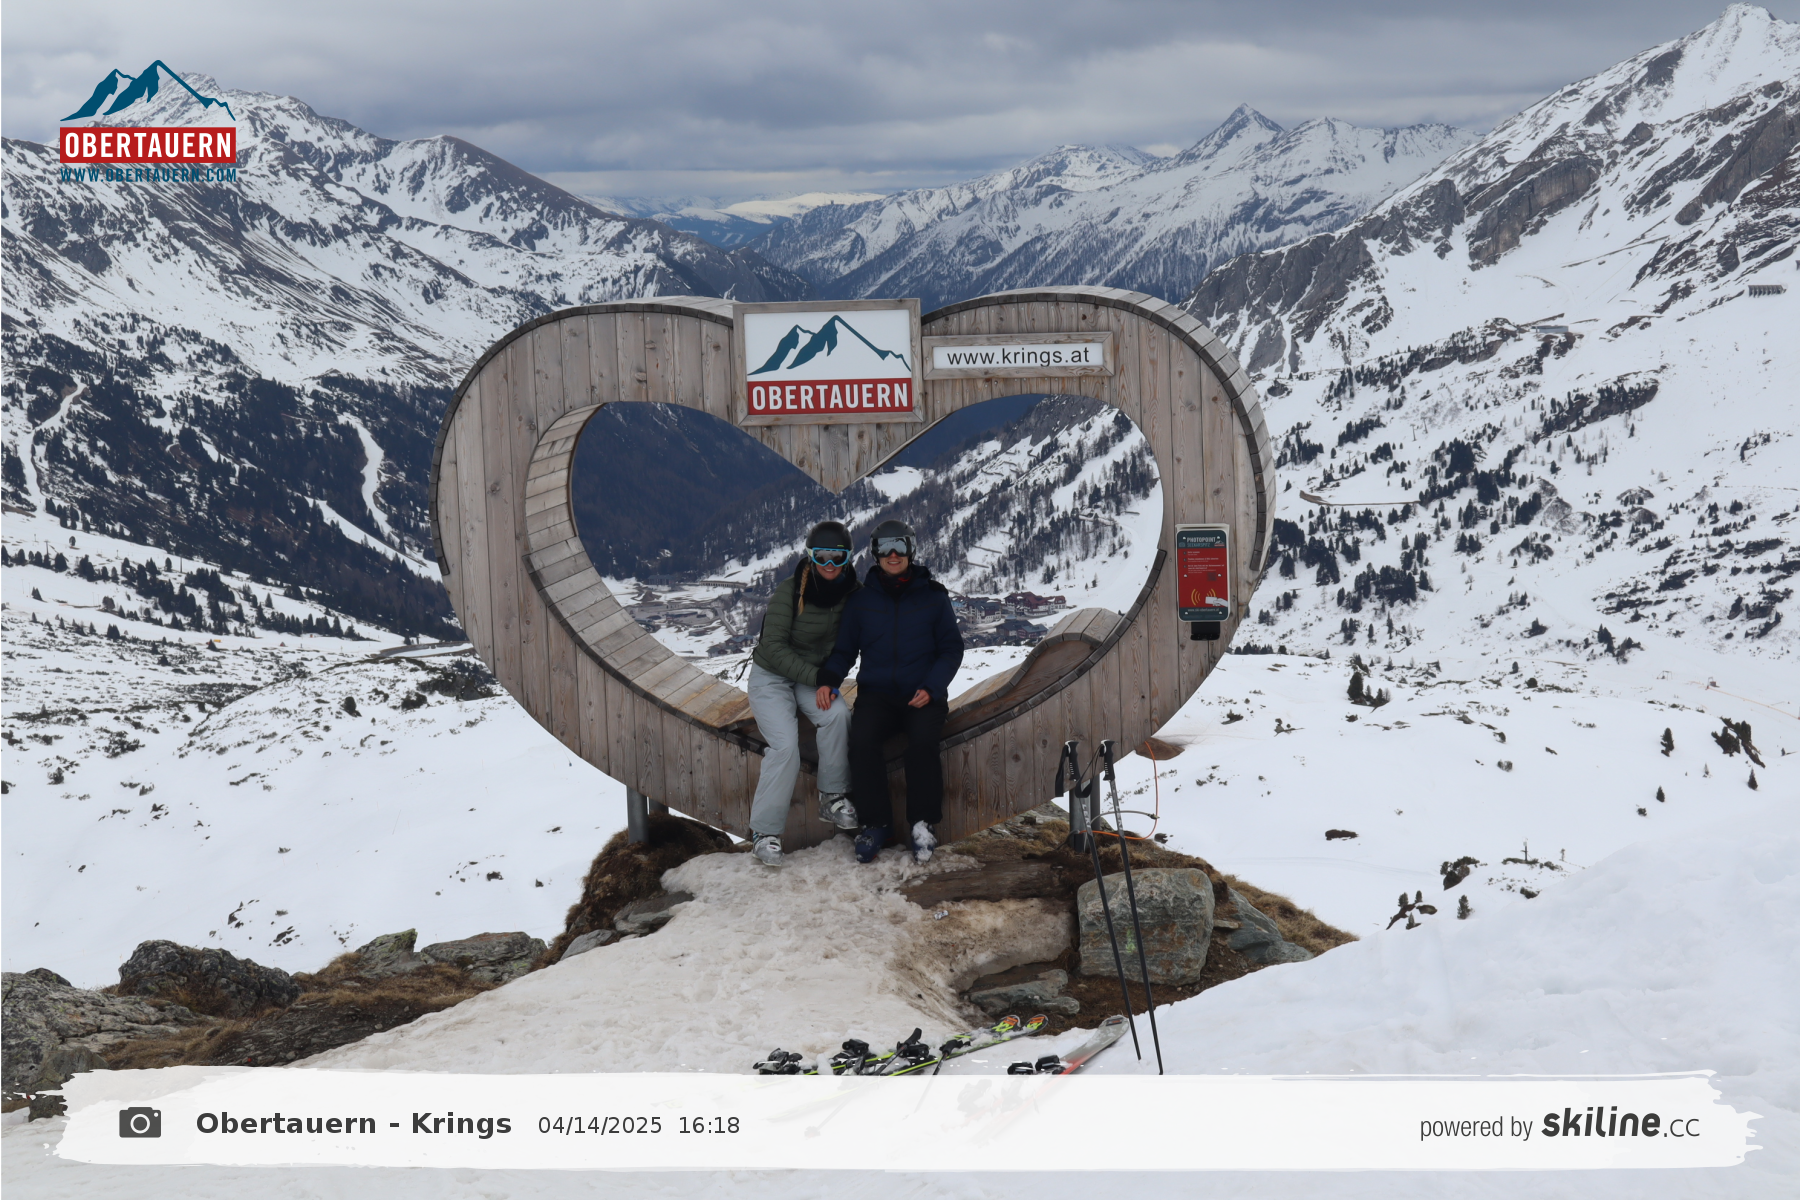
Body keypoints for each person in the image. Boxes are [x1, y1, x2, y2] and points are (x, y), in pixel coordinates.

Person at [816, 519, 964, 864]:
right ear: (875, 553)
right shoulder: (861, 601)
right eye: (884, 547)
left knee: (922, 743)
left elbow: (951, 649)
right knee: (862, 742)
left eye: (900, 546)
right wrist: (828, 680)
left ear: (911, 550)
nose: (893, 554)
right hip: (877, 695)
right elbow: (844, 651)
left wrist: (932, 687)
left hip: (922, 694)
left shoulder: (933, 597)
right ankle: (876, 824)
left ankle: (922, 823)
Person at [744, 521, 861, 867]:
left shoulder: (853, 593)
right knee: (785, 747)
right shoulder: (790, 591)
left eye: (837, 557)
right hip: (772, 676)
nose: (829, 564)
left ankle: (832, 797)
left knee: (838, 715)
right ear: (810, 557)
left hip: (813, 678)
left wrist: (825, 679)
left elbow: (853, 640)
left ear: (848, 558)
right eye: (821, 556)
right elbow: (774, 646)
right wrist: (820, 678)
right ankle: (764, 832)